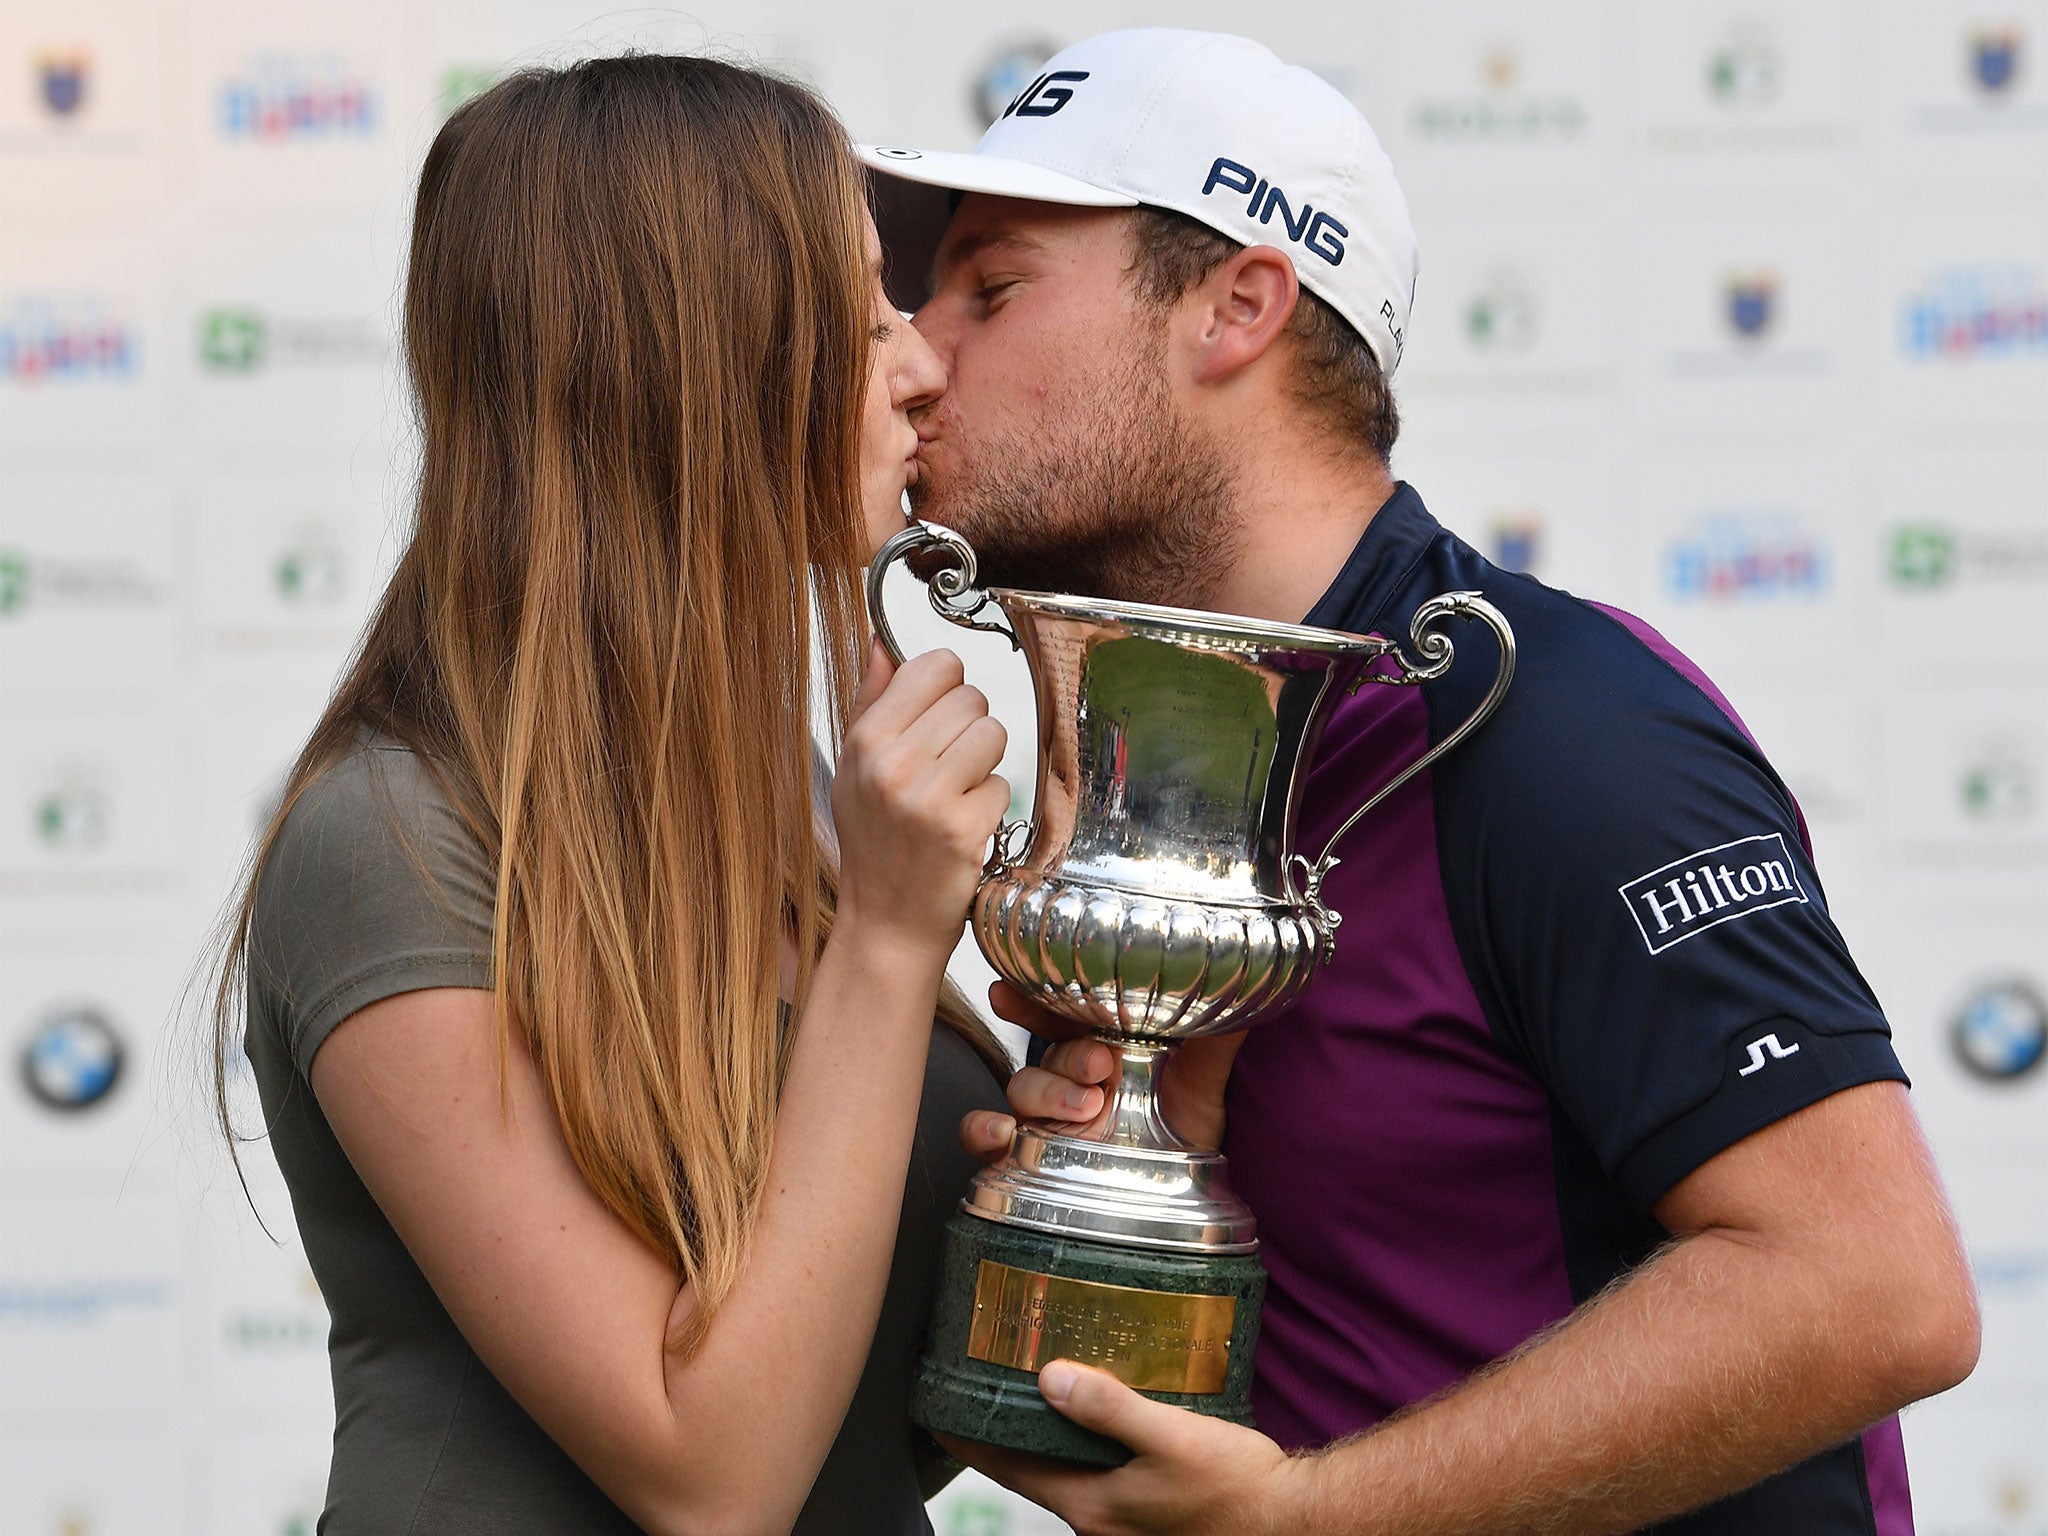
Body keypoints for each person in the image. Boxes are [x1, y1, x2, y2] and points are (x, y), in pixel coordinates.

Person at [859, 28, 1980, 1536]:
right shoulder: (1136, 751)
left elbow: (1871, 1290)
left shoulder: (1560, 726)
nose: (920, 355)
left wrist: (1310, 1522)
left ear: (1236, 308)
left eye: (990, 288)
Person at [206, 56, 1017, 1535]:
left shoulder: (788, 803)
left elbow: (854, 1417)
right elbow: (710, 1474)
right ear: (684, 364)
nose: (921, 366)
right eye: (859, 321)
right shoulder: (391, 836)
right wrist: (894, 944)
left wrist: (1124, 1147)